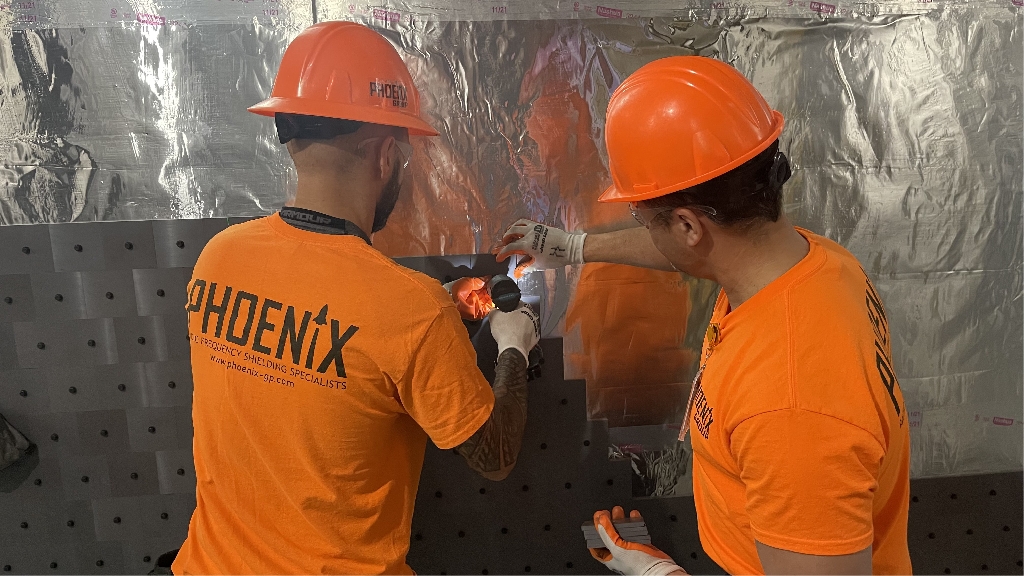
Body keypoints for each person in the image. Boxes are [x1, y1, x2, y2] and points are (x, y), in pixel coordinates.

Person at [498, 56, 911, 575]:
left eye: (643, 219)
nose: (645, 230)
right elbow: (689, 247)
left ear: (689, 226)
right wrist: (575, 247)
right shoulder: (818, 264)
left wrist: (659, 573)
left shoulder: (789, 405)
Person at [172, 22, 540, 575]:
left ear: (291, 138)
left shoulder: (220, 257)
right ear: (385, 156)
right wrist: (513, 346)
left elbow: (317, 359)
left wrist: (437, 316)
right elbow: (495, 454)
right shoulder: (409, 309)